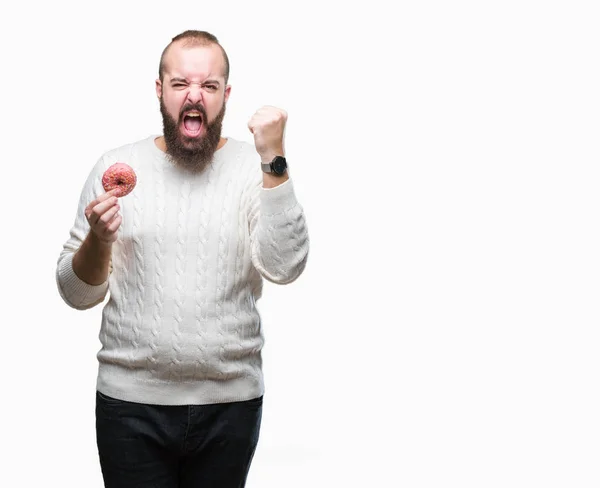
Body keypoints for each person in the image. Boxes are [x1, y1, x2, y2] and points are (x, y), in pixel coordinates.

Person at [55, 29, 309, 488]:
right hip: (129, 406)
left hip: (230, 405)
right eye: (180, 84)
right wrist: (98, 238)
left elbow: (285, 266)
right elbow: (75, 293)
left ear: (225, 95)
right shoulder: (116, 164)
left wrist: (274, 156)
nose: (194, 95)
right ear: (160, 90)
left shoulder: (253, 171)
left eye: (209, 86)